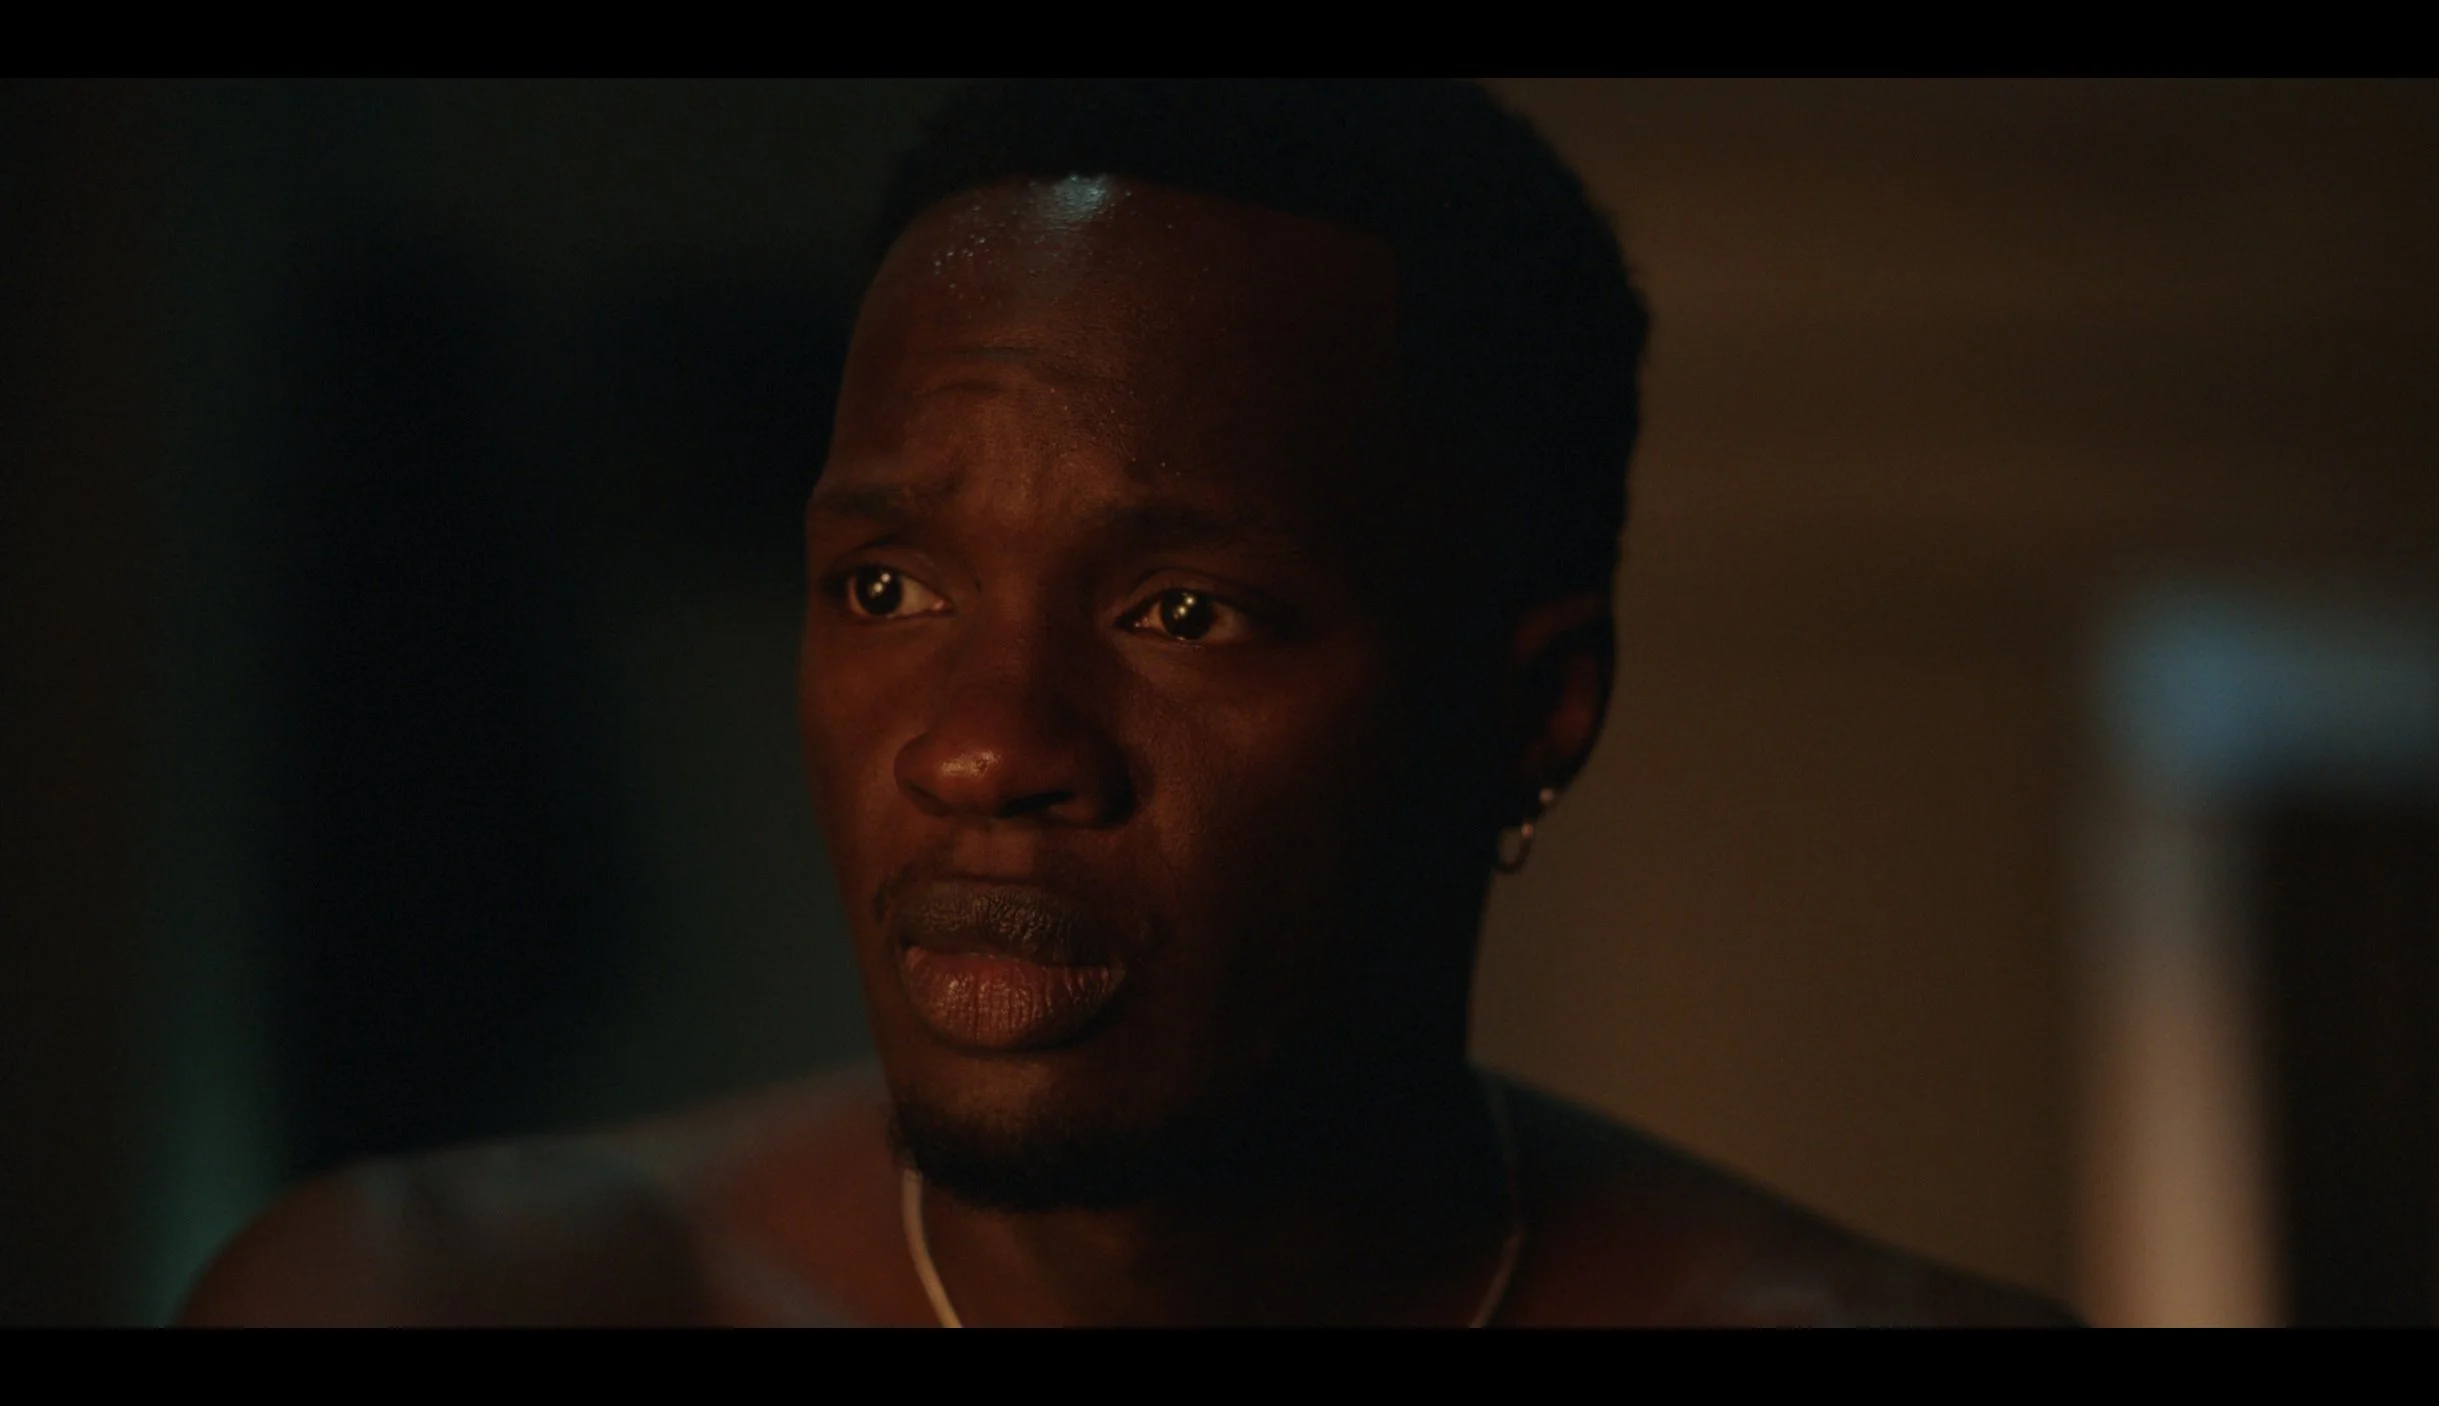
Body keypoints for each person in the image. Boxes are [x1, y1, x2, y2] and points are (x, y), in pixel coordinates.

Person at [179, 79, 2076, 1327]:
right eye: (891, 587)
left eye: (1185, 611)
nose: (985, 746)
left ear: (1538, 711)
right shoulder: (431, 1303)